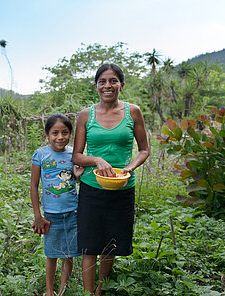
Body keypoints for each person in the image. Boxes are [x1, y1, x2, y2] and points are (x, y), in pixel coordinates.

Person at [72, 63, 150, 295]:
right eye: (103, 81)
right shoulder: (86, 115)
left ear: (121, 85)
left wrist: (128, 169)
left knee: (110, 243)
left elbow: (144, 149)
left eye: (113, 81)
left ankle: (100, 290)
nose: (108, 85)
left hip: (122, 188)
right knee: (89, 245)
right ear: (96, 86)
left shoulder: (133, 112)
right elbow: (76, 155)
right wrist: (96, 160)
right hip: (91, 187)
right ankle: (88, 293)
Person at [31, 113, 85, 296]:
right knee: (52, 254)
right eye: (55, 133)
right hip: (50, 215)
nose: (60, 137)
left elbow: (73, 180)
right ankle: (49, 291)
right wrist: (38, 216)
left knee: (68, 254)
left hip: (73, 212)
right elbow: (34, 185)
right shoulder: (40, 154)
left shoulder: (74, 154)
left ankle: (62, 290)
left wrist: (77, 177)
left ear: (71, 134)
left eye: (65, 132)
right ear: (47, 134)